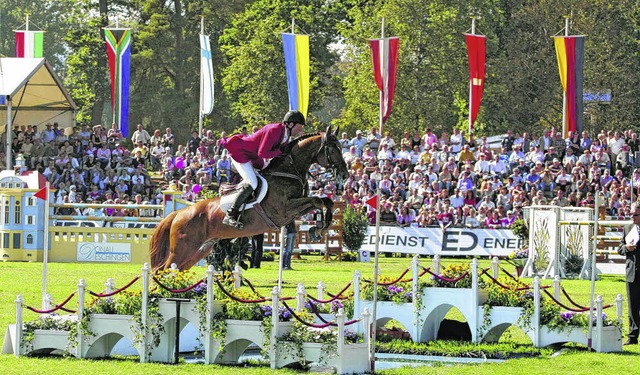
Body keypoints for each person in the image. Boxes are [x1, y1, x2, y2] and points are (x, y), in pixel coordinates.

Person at [222, 110, 305, 228]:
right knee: (253, 182)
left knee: (269, 175)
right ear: (291, 124)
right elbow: (263, 153)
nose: (300, 130)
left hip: (254, 157)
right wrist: (281, 151)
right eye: (299, 127)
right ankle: (231, 214)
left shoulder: (285, 135)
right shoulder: (274, 130)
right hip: (241, 153)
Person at [618, 202, 640, 345]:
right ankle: (632, 336)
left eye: (635, 215)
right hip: (632, 272)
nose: (632, 217)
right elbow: (619, 248)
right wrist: (627, 247)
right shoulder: (627, 228)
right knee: (632, 306)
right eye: (631, 214)